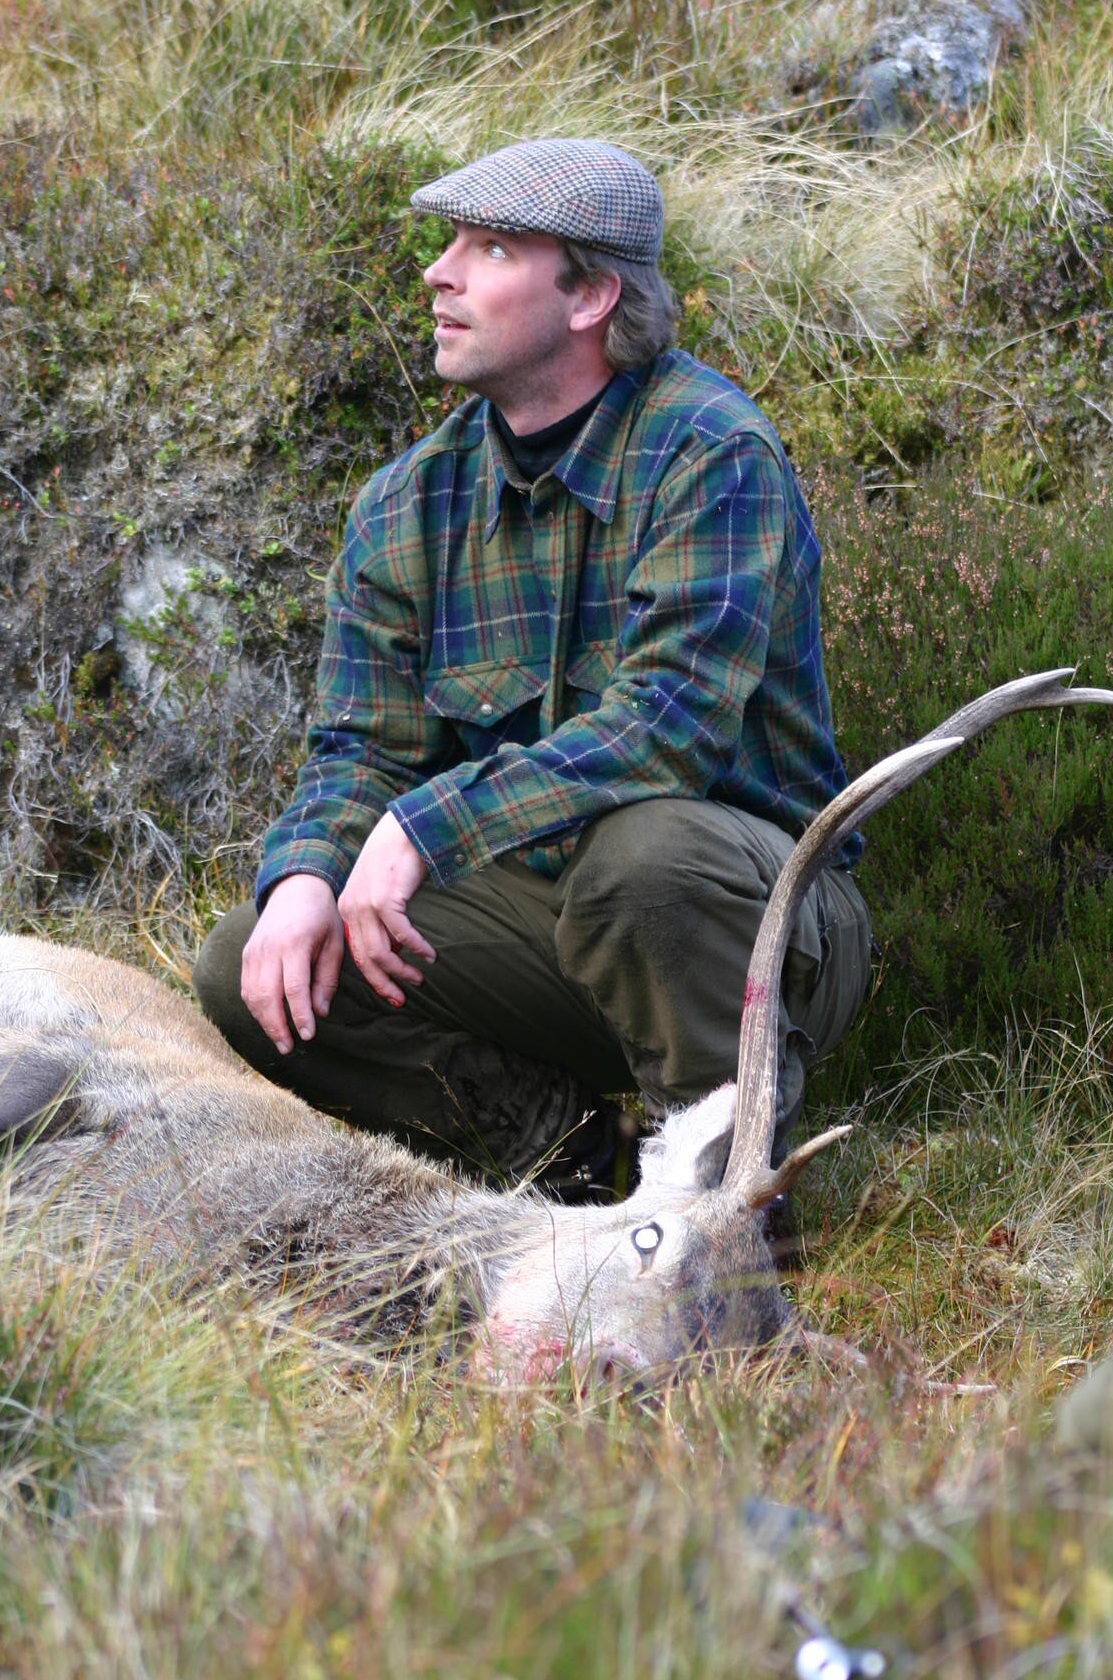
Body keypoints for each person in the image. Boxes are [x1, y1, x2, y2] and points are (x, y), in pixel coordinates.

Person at [194, 137, 872, 1195]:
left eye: (491, 247)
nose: (439, 272)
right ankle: (561, 1158)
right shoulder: (408, 504)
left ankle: (727, 1194)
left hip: (754, 932)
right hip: (551, 932)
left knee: (640, 863)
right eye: (450, 242)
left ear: (592, 293)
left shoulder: (709, 454)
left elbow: (668, 727)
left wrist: (426, 827)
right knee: (258, 966)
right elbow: (361, 749)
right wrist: (305, 877)